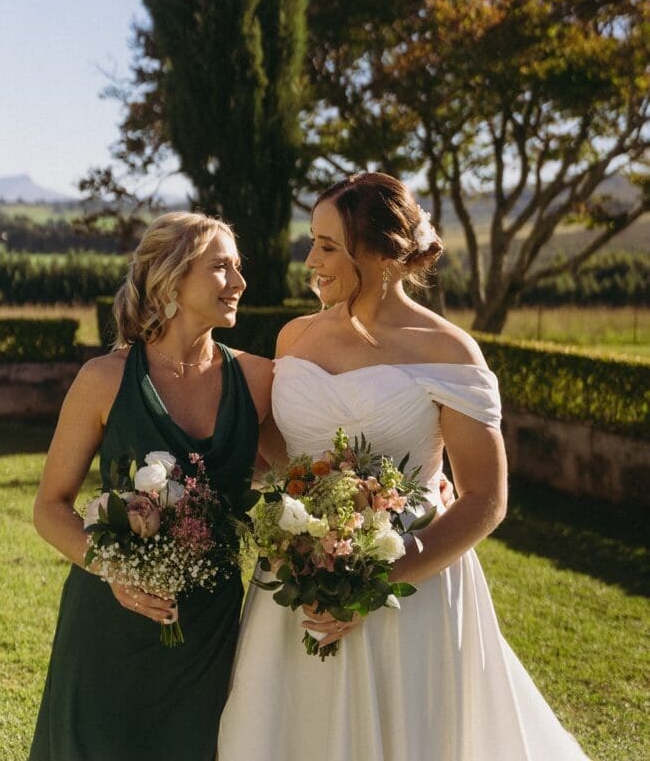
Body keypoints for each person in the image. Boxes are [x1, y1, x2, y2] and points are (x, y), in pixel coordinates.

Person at [217, 171, 590, 761]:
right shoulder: (293, 339)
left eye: (329, 246)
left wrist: (368, 583)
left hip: (409, 591)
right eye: (312, 240)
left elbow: (486, 499)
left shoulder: (448, 351)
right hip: (297, 585)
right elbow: (286, 456)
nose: (311, 259)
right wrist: (305, 532)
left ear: (381, 254)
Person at [29, 212, 281, 761]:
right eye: (221, 268)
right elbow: (49, 507)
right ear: (170, 278)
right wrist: (113, 570)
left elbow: (306, 478)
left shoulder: (260, 381)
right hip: (105, 627)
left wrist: (423, 488)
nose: (239, 283)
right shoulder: (103, 379)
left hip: (205, 636)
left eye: (239, 268)